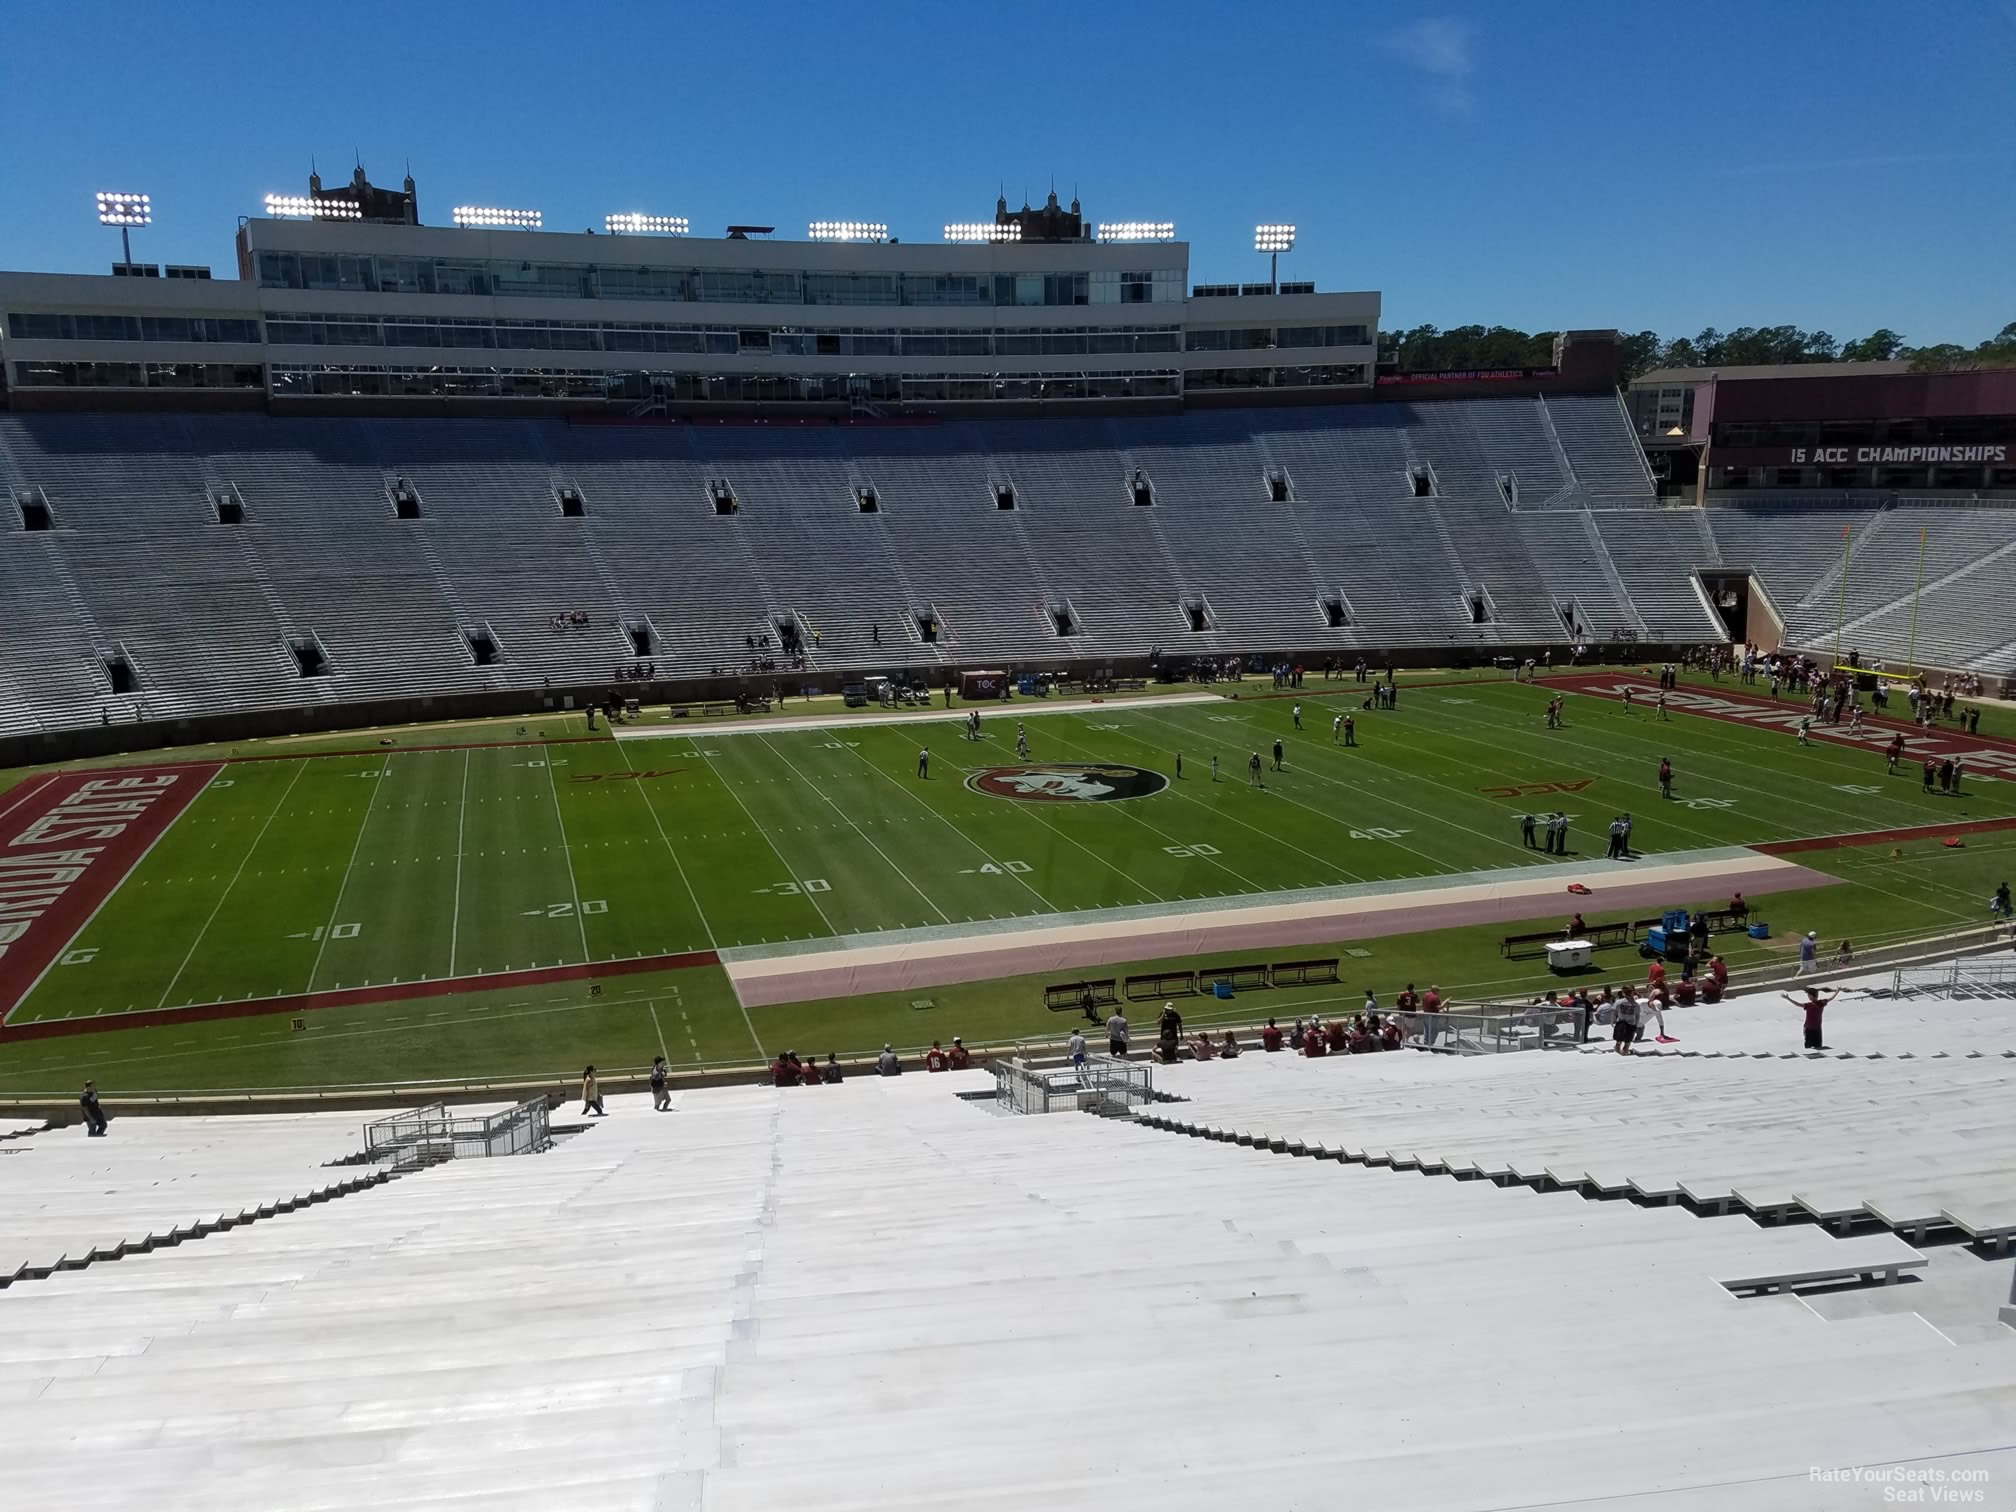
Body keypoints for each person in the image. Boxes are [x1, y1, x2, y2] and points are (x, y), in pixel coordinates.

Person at [1784, 986, 1836, 1050]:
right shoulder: (1822, 1002)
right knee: (1818, 1046)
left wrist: (1788, 998)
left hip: (1809, 1028)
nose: (1808, 996)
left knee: (1808, 1046)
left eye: (1809, 995)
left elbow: (1798, 1004)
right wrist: (1837, 991)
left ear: (1811, 996)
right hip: (1817, 1028)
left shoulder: (1809, 1005)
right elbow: (1831, 998)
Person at [1612, 989, 1640, 1055]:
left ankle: (1618, 1054)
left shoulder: (1619, 1002)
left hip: (1621, 1023)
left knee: (1618, 1042)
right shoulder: (1635, 1004)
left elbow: (1614, 1012)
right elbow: (1637, 1016)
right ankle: (1623, 1054)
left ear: (1624, 993)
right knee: (1627, 1043)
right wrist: (1636, 1025)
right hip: (1630, 1024)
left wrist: (1613, 1020)